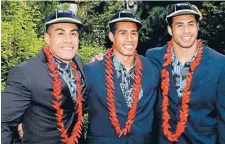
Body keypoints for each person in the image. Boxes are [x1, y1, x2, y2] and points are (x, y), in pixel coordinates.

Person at [1, 10, 87, 144]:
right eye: (60, 33)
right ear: (47, 38)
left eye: (73, 33)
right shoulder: (25, 72)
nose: (68, 40)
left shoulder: (78, 63)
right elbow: (3, 123)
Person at [146, 2, 225, 144]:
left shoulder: (219, 63)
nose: (186, 31)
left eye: (191, 24)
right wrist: (103, 60)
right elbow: (130, 65)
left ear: (198, 26)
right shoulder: (153, 58)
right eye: (179, 25)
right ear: (170, 29)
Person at [84, 9, 160, 144]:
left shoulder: (152, 69)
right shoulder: (91, 71)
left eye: (133, 33)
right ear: (111, 36)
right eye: (123, 33)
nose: (129, 39)